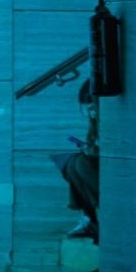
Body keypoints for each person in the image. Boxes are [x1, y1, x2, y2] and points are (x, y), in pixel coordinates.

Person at [50, 80, 99, 243]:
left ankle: (93, 216)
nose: (91, 114)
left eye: (92, 108)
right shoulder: (96, 123)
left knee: (78, 164)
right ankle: (90, 216)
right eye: (88, 110)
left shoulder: (115, 122)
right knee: (71, 164)